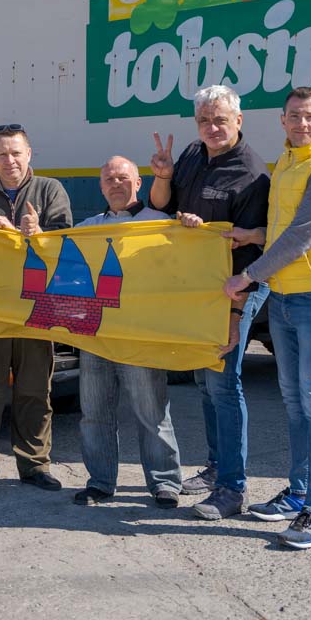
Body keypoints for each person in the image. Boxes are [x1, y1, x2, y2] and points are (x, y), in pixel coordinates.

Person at [225, 86, 311, 550]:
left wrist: (249, 275)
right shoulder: (287, 161)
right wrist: (253, 235)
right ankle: (298, 492)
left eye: (310, 116)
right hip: (284, 297)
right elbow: (283, 228)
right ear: (282, 120)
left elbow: (303, 234)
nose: (302, 123)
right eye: (294, 116)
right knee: (296, 402)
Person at [149, 84, 271, 521]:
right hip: (198, 286)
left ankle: (232, 489)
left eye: (220, 120)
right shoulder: (191, 154)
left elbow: (254, 252)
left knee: (223, 383)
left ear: (239, 120)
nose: (212, 128)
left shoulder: (252, 174)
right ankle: (218, 466)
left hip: (236, 285)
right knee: (205, 380)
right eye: (204, 120)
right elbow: (162, 208)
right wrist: (164, 177)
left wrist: (236, 315)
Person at [0, 124, 73, 503]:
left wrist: (39, 232)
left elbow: (67, 245)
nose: (10, 161)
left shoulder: (50, 190)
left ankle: (35, 465)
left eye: (16, 153)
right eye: (3, 154)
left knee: (35, 392)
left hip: (37, 310)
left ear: (29, 154)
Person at [71, 156, 183, 509]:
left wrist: (194, 229)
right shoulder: (86, 227)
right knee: (94, 413)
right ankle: (100, 482)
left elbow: (184, 268)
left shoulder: (161, 223)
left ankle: (165, 483)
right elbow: (53, 253)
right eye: (109, 179)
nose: (115, 184)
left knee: (152, 412)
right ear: (101, 187)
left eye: (123, 178)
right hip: (96, 335)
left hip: (140, 334)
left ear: (138, 183)